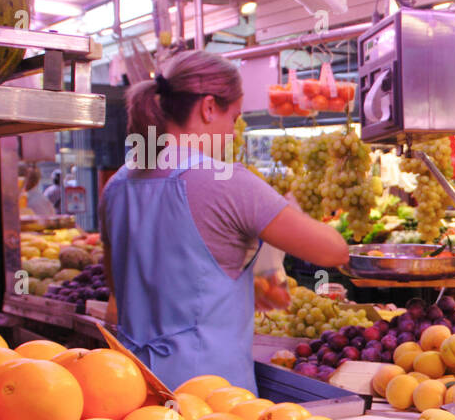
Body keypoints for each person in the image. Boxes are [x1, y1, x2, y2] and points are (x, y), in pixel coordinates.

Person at [101, 50, 348, 392]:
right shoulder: (226, 181)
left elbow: (118, 289)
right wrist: (289, 210)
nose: (233, 134)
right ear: (208, 107)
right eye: (233, 118)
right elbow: (333, 251)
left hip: (129, 385)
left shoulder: (117, 185)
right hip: (209, 395)